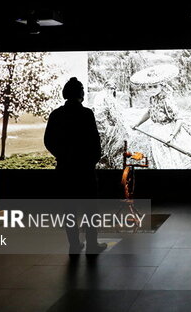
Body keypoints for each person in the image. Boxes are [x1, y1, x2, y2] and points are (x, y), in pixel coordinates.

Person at [44, 77, 107, 254]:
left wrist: (62, 156)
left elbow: (48, 141)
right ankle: (92, 244)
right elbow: (95, 142)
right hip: (85, 169)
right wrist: (91, 160)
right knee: (90, 209)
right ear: (81, 94)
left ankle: (74, 244)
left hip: (64, 169)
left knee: (68, 209)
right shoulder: (86, 114)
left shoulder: (56, 115)